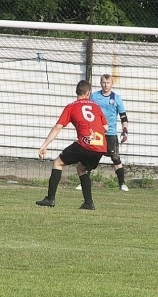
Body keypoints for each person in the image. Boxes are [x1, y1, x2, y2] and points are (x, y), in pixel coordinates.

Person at [36, 79, 108, 210]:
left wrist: (44, 145)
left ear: (76, 92)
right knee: (81, 168)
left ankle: (50, 199)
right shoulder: (96, 107)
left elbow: (58, 127)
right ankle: (88, 203)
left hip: (85, 144)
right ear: (88, 93)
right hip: (100, 146)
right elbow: (106, 127)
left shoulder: (71, 107)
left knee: (58, 163)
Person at [77, 74, 130, 191]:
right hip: (96, 133)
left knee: (115, 158)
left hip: (110, 133)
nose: (106, 85)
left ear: (112, 84)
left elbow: (123, 117)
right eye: (104, 83)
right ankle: (84, 183)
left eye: (108, 83)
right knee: (91, 157)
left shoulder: (116, 98)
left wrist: (125, 131)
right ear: (100, 83)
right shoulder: (94, 96)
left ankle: (122, 183)